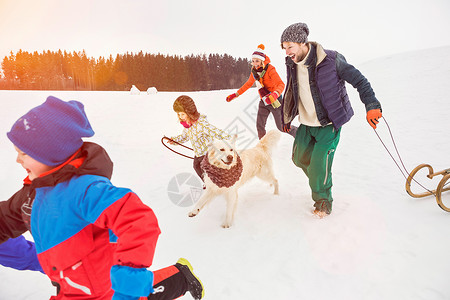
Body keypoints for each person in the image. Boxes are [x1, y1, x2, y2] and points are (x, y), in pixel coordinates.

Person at [0, 96, 204, 300]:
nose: (17, 159)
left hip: (101, 283)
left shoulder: (85, 190)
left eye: (24, 153)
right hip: (69, 281)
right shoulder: (30, 195)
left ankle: (181, 277)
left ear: (49, 153)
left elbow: (138, 220)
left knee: (137, 294)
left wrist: (127, 286)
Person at [280, 22, 383, 218]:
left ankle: (323, 201)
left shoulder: (331, 60)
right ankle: (319, 179)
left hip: (328, 124)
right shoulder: (292, 64)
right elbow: (292, 90)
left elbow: (359, 80)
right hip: (306, 124)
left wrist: (372, 105)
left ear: (302, 43)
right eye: (284, 48)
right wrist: (286, 117)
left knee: (319, 168)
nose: (287, 52)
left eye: (289, 46)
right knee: (298, 158)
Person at [226, 44, 297, 139]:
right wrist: (236, 94)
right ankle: (263, 147)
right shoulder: (254, 71)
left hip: (275, 101)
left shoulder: (270, 69)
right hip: (263, 100)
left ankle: (300, 134)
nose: (255, 63)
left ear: (262, 60)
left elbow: (281, 84)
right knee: (260, 126)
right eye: (253, 61)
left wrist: (274, 95)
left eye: (257, 61)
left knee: (281, 127)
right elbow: (248, 84)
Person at [169, 95, 232, 182]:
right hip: (198, 154)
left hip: (207, 153)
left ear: (190, 112)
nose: (180, 116)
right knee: (196, 167)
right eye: (178, 114)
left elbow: (214, 131)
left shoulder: (201, 124)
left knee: (207, 170)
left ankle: (217, 182)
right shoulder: (188, 126)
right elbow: (184, 137)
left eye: (182, 114)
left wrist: (228, 138)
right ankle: (208, 183)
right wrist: (174, 140)